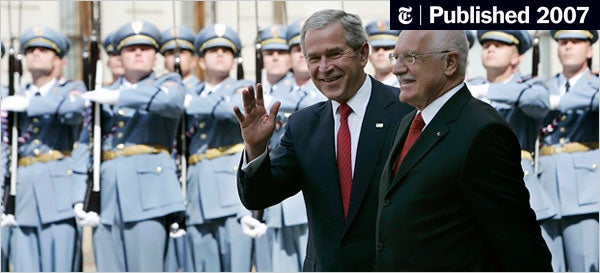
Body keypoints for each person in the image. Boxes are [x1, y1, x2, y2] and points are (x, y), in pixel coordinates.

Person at [234, 9, 413, 271]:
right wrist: (255, 147)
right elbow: (259, 196)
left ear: (363, 53)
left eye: (334, 54)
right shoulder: (303, 125)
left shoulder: (406, 113)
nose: (324, 67)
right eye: (314, 58)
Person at [375, 30, 553, 271]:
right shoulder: (409, 122)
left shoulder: (482, 130)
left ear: (449, 63)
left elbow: (518, 241)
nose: (397, 69)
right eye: (396, 57)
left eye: (411, 57)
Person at [79, 20, 186, 271]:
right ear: (119, 55)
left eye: (145, 48)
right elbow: (86, 146)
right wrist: (80, 198)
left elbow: (172, 103)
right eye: (130, 49)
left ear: (155, 57)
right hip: (106, 196)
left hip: (149, 194)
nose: (138, 53)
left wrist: (120, 96)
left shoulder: (168, 84)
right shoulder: (101, 93)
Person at [466, 30, 559, 269]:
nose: (490, 48)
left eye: (500, 44)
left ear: (517, 56)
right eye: (487, 44)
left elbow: (540, 102)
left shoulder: (531, 86)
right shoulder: (471, 86)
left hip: (519, 182)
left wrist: (489, 92)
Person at [0, 26, 87, 271]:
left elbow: (75, 107)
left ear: (57, 59)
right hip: (23, 194)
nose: (36, 53)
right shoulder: (13, 96)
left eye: (44, 49)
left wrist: (30, 105)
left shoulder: (71, 89)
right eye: (31, 50)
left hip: (59, 194)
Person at [183, 23, 254, 272]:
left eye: (227, 50)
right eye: (213, 51)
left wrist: (190, 102)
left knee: (237, 265)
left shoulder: (243, 87)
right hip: (196, 192)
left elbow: (232, 109)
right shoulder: (191, 91)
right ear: (201, 61)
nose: (221, 54)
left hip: (230, 191)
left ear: (234, 60)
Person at [538, 30, 599, 272]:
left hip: (584, 187)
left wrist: (555, 102)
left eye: (576, 41)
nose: (568, 46)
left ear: (590, 49)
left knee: (585, 265)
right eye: (563, 42)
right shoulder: (541, 86)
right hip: (545, 187)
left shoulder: (594, 85)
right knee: (549, 265)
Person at [364, 19, 401, 87]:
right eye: (376, 48)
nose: (380, 52)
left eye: (387, 48)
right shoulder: (364, 87)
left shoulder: (407, 87)